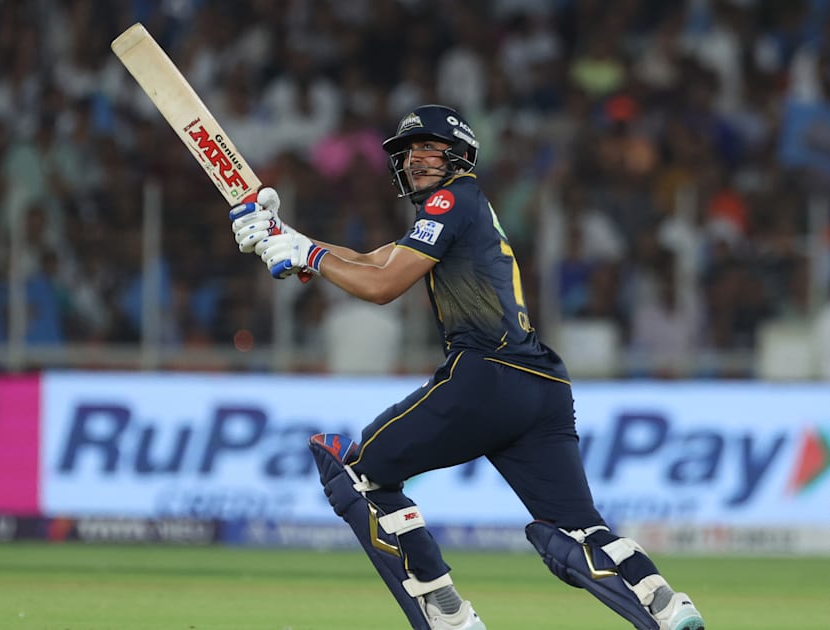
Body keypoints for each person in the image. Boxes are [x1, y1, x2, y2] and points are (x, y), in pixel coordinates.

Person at [228, 104, 705, 630]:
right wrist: (290, 238)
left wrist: (309, 256)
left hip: (487, 375)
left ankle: (447, 613)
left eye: (429, 148)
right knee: (574, 529)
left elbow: (382, 286)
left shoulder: (451, 199)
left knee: (358, 474)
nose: (415, 160)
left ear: (459, 156)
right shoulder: (457, 210)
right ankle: (664, 604)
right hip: (541, 384)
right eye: (409, 152)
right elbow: (372, 262)